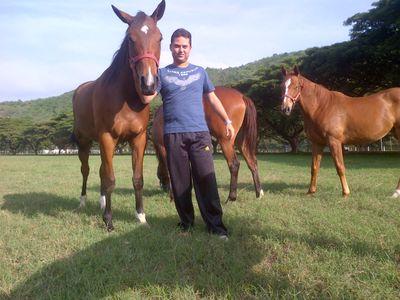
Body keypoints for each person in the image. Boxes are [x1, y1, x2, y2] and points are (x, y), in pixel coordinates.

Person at [143, 28, 234, 239]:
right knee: (180, 182)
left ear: (190, 48)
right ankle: (186, 224)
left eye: (184, 46)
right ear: (171, 48)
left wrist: (227, 120)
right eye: (177, 46)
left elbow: (212, 98)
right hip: (173, 135)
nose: (180, 49)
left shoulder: (200, 72)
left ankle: (216, 226)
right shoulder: (162, 74)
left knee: (206, 180)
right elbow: (147, 98)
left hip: (200, 134)